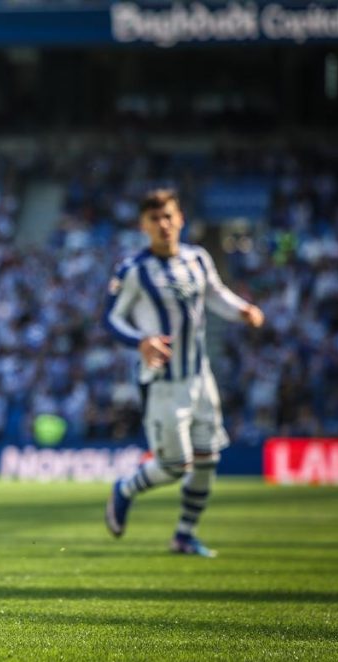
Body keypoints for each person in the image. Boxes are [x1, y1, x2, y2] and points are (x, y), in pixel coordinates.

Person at [103, 189, 264, 557]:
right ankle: (125, 489)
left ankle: (184, 534)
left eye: (169, 216)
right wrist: (140, 341)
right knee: (175, 467)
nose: (163, 224)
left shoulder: (198, 259)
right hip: (162, 384)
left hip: (200, 378)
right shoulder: (133, 270)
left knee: (208, 460)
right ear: (143, 225)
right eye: (155, 218)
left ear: (181, 220)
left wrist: (243, 310)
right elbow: (110, 318)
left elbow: (216, 295)